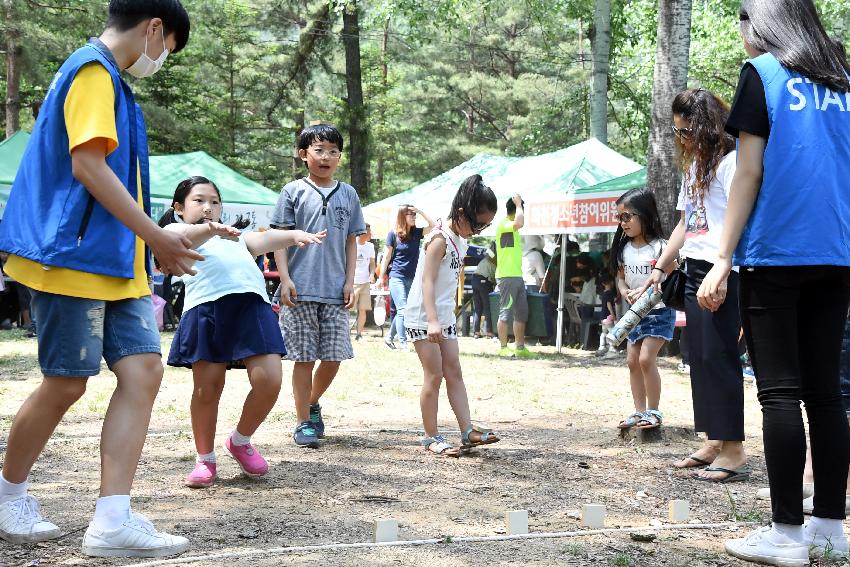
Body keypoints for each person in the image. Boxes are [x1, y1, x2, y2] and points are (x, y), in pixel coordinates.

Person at [0, 0, 196, 557]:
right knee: (66, 382)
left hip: (118, 263)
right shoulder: (89, 71)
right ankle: (8, 493)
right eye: (168, 50)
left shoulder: (114, 83)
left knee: (143, 372)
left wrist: (150, 243)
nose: (161, 59)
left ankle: (112, 520)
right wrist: (158, 236)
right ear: (155, 28)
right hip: (71, 256)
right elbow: (88, 166)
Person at [698, 2, 850, 563]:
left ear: (758, 23)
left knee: (780, 392)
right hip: (836, 252)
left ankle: (786, 533)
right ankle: (831, 530)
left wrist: (721, 257)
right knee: (826, 393)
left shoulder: (762, 74)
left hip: (777, 253)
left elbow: (750, 171)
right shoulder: (842, 79)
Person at [159, 176, 323, 488]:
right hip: (206, 309)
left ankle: (240, 440)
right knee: (207, 389)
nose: (209, 207)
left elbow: (266, 240)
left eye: (215, 202)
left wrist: (296, 235)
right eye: (199, 200)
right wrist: (209, 228)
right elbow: (187, 238)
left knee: (269, 379)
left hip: (253, 307)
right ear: (179, 208)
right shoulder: (173, 231)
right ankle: (204, 458)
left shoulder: (235, 238)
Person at [640, 88, 749, 483]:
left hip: (723, 270)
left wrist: (725, 269)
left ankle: (734, 448)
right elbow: (686, 225)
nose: (681, 139)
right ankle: (713, 440)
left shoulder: (733, 163)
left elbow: (740, 222)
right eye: (677, 132)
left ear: (705, 127)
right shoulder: (696, 168)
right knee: (698, 358)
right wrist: (660, 267)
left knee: (720, 357)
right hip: (693, 269)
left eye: (686, 131)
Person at [272, 124, 366, 449]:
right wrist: (284, 278)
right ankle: (302, 422)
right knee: (302, 358)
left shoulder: (349, 194)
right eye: (319, 150)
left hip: (336, 290)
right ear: (303, 155)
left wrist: (350, 281)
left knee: (334, 357)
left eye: (333, 151)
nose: (326, 156)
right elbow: (279, 239)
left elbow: (352, 241)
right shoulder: (291, 192)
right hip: (299, 291)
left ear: (340, 156)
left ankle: (310, 403)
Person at [405, 174, 501, 456]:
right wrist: (433, 320)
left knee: (454, 372)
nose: (480, 230)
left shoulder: (460, 238)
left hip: (444, 316)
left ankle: (467, 430)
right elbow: (427, 281)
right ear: (461, 213)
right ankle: (430, 436)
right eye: (478, 223)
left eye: (486, 225)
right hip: (424, 316)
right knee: (433, 376)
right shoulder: (440, 240)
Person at [612, 188, 675, 431]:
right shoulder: (623, 249)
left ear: (645, 215)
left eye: (627, 216)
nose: (623, 223)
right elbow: (620, 278)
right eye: (620, 217)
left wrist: (649, 292)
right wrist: (624, 289)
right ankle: (639, 412)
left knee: (647, 358)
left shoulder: (661, 247)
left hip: (659, 311)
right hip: (632, 315)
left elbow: (672, 276)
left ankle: (654, 411)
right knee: (632, 361)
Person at [379, 205, 435, 351]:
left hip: (412, 278)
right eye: (411, 214)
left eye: (414, 215)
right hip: (396, 276)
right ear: (402, 216)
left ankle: (389, 338)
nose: (414, 217)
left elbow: (434, 226)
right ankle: (403, 343)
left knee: (404, 311)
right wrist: (380, 277)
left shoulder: (416, 233)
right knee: (403, 310)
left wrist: (421, 211)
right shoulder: (393, 234)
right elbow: (386, 257)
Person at [495, 194, 536, 358]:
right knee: (505, 313)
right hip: (506, 276)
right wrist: (519, 204)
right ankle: (503, 347)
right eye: (521, 209)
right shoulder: (505, 224)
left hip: (517, 277)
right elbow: (519, 222)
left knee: (521, 314)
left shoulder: (511, 228)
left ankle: (519, 347)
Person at [353, 223, 376, 340]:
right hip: (352, 282)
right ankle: (345, 333)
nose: (370, 234)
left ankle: (359, 334)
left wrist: (372, 274)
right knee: (347, 309)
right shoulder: (351, 244)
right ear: (362, 232)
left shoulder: (370, 246)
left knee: (363, 309)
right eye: (369, 232)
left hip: (365, 282)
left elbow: (372, 263)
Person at [471, 242, 497, 339]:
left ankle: (476, 332)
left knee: (478, 308)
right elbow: (496, 279)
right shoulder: (494, 263)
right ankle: (489, 332)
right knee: (487, 307)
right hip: (484, 282)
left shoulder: (484, 260)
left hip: (474, 280)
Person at [596, 272, 617, 356]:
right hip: (608, 316)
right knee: (612, 332)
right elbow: (609, 305)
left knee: (603, 332)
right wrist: (613, 315)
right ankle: (611, 347)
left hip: (602, 316)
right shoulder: (609, 293)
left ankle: (601, 346)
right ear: (611, 282)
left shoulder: (603, 293)